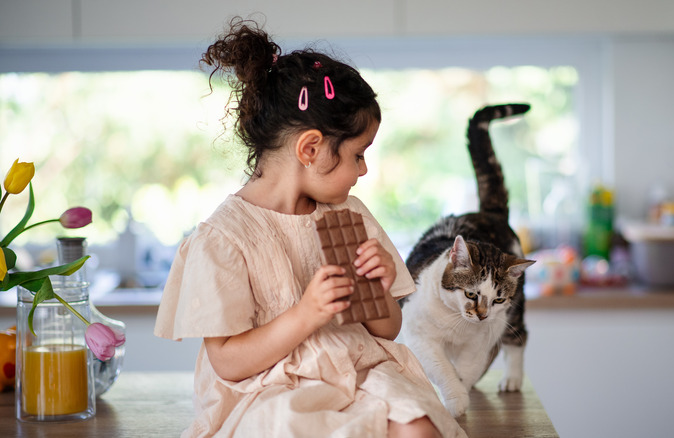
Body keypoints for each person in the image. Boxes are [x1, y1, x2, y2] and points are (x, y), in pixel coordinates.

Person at [154, 18, 467, 438]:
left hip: (359, 370)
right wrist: (307, 313)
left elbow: (388, 329)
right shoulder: (224, 238)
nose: (364, 168)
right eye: (358, 154)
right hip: (269, 387)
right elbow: (227, 360)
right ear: (311, 149)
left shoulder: (350, 216)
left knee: (419, 427)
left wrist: (377, 287)